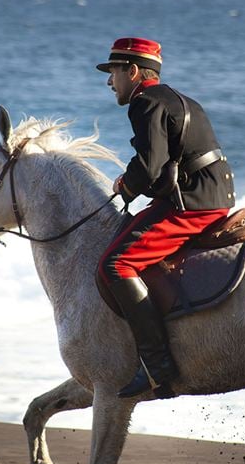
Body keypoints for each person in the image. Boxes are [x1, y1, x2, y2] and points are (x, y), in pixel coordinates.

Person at [96, 37, 235, 398]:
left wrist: (125, 186)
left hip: (192, 203)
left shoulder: (144, 102)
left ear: (133, 71)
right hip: (210, 194)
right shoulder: (179, 99)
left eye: (113, 73)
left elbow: (149, 165)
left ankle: (157, 368)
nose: (110, 82)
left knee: (115, 266)